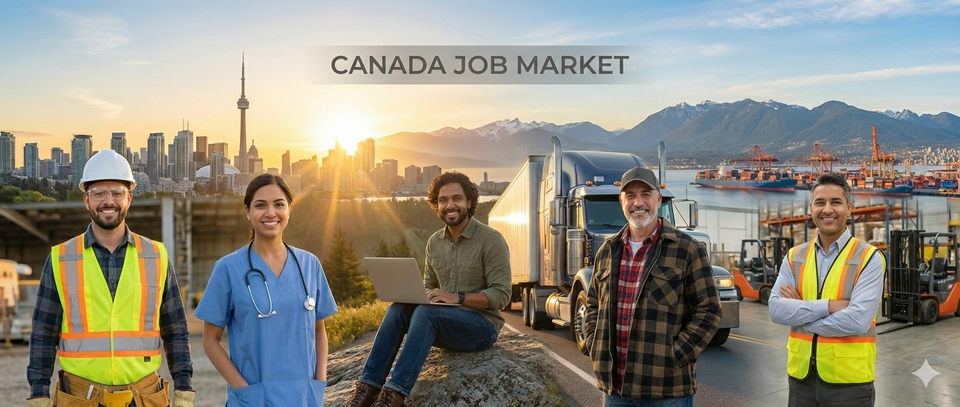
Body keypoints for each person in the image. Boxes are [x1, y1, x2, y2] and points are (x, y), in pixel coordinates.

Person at [26, 149, 195, 407]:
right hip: (80, 397)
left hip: (143, 396)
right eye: (99, 193)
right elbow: (43, 332)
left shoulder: (156, 255)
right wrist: (39, 391)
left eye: (117, 192)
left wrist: (183, 387)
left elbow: (176, 330)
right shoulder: (60, 258)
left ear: (129, 198)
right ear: (86, 200)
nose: (108, 201)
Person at [345, 172, 511, 407]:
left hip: (481, 327)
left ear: (470, 202)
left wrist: (457, 298)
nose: (450, 205)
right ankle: (368, 387)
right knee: (398, 309)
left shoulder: (491, 239)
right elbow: (430, 287)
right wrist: (410, 294)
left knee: (426, 314)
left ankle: (394, 395)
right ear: (436, 205)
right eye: (443, 200)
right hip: (446, 324)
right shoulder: (434, 242)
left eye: (457, 198)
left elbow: (502, 295)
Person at [583, 166, 722, 407]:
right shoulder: (607, 250)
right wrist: (595, 345)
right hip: (615, 389)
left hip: (667, 391)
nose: (638, 202)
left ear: (658, 198)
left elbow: (708, 311)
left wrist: (674, 356)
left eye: (646, 194)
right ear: (621, 202)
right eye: (630, 196)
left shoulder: (688, 249)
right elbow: (594, 304)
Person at [194, 174, 337, 406]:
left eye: (279, 204)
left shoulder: (309, 265)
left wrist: (319, 383)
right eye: (260, 205)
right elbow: (210, 340)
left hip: (304, 398)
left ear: (289, 209)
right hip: (254, 400)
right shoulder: (228, 268)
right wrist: (244, 391)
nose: (270, 213)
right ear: (248, 212)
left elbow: (319, 330)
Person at [768, 173, 886, 407]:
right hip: (800, 380)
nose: (827, 209)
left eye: (836, 202)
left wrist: (802, 318)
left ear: (849, 208)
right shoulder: (795, 256)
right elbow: (776, 310)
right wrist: (829, 306)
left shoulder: (869, 258)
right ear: (811, 208)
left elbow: (857, 321)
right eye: (820, 203)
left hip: (849, 382)